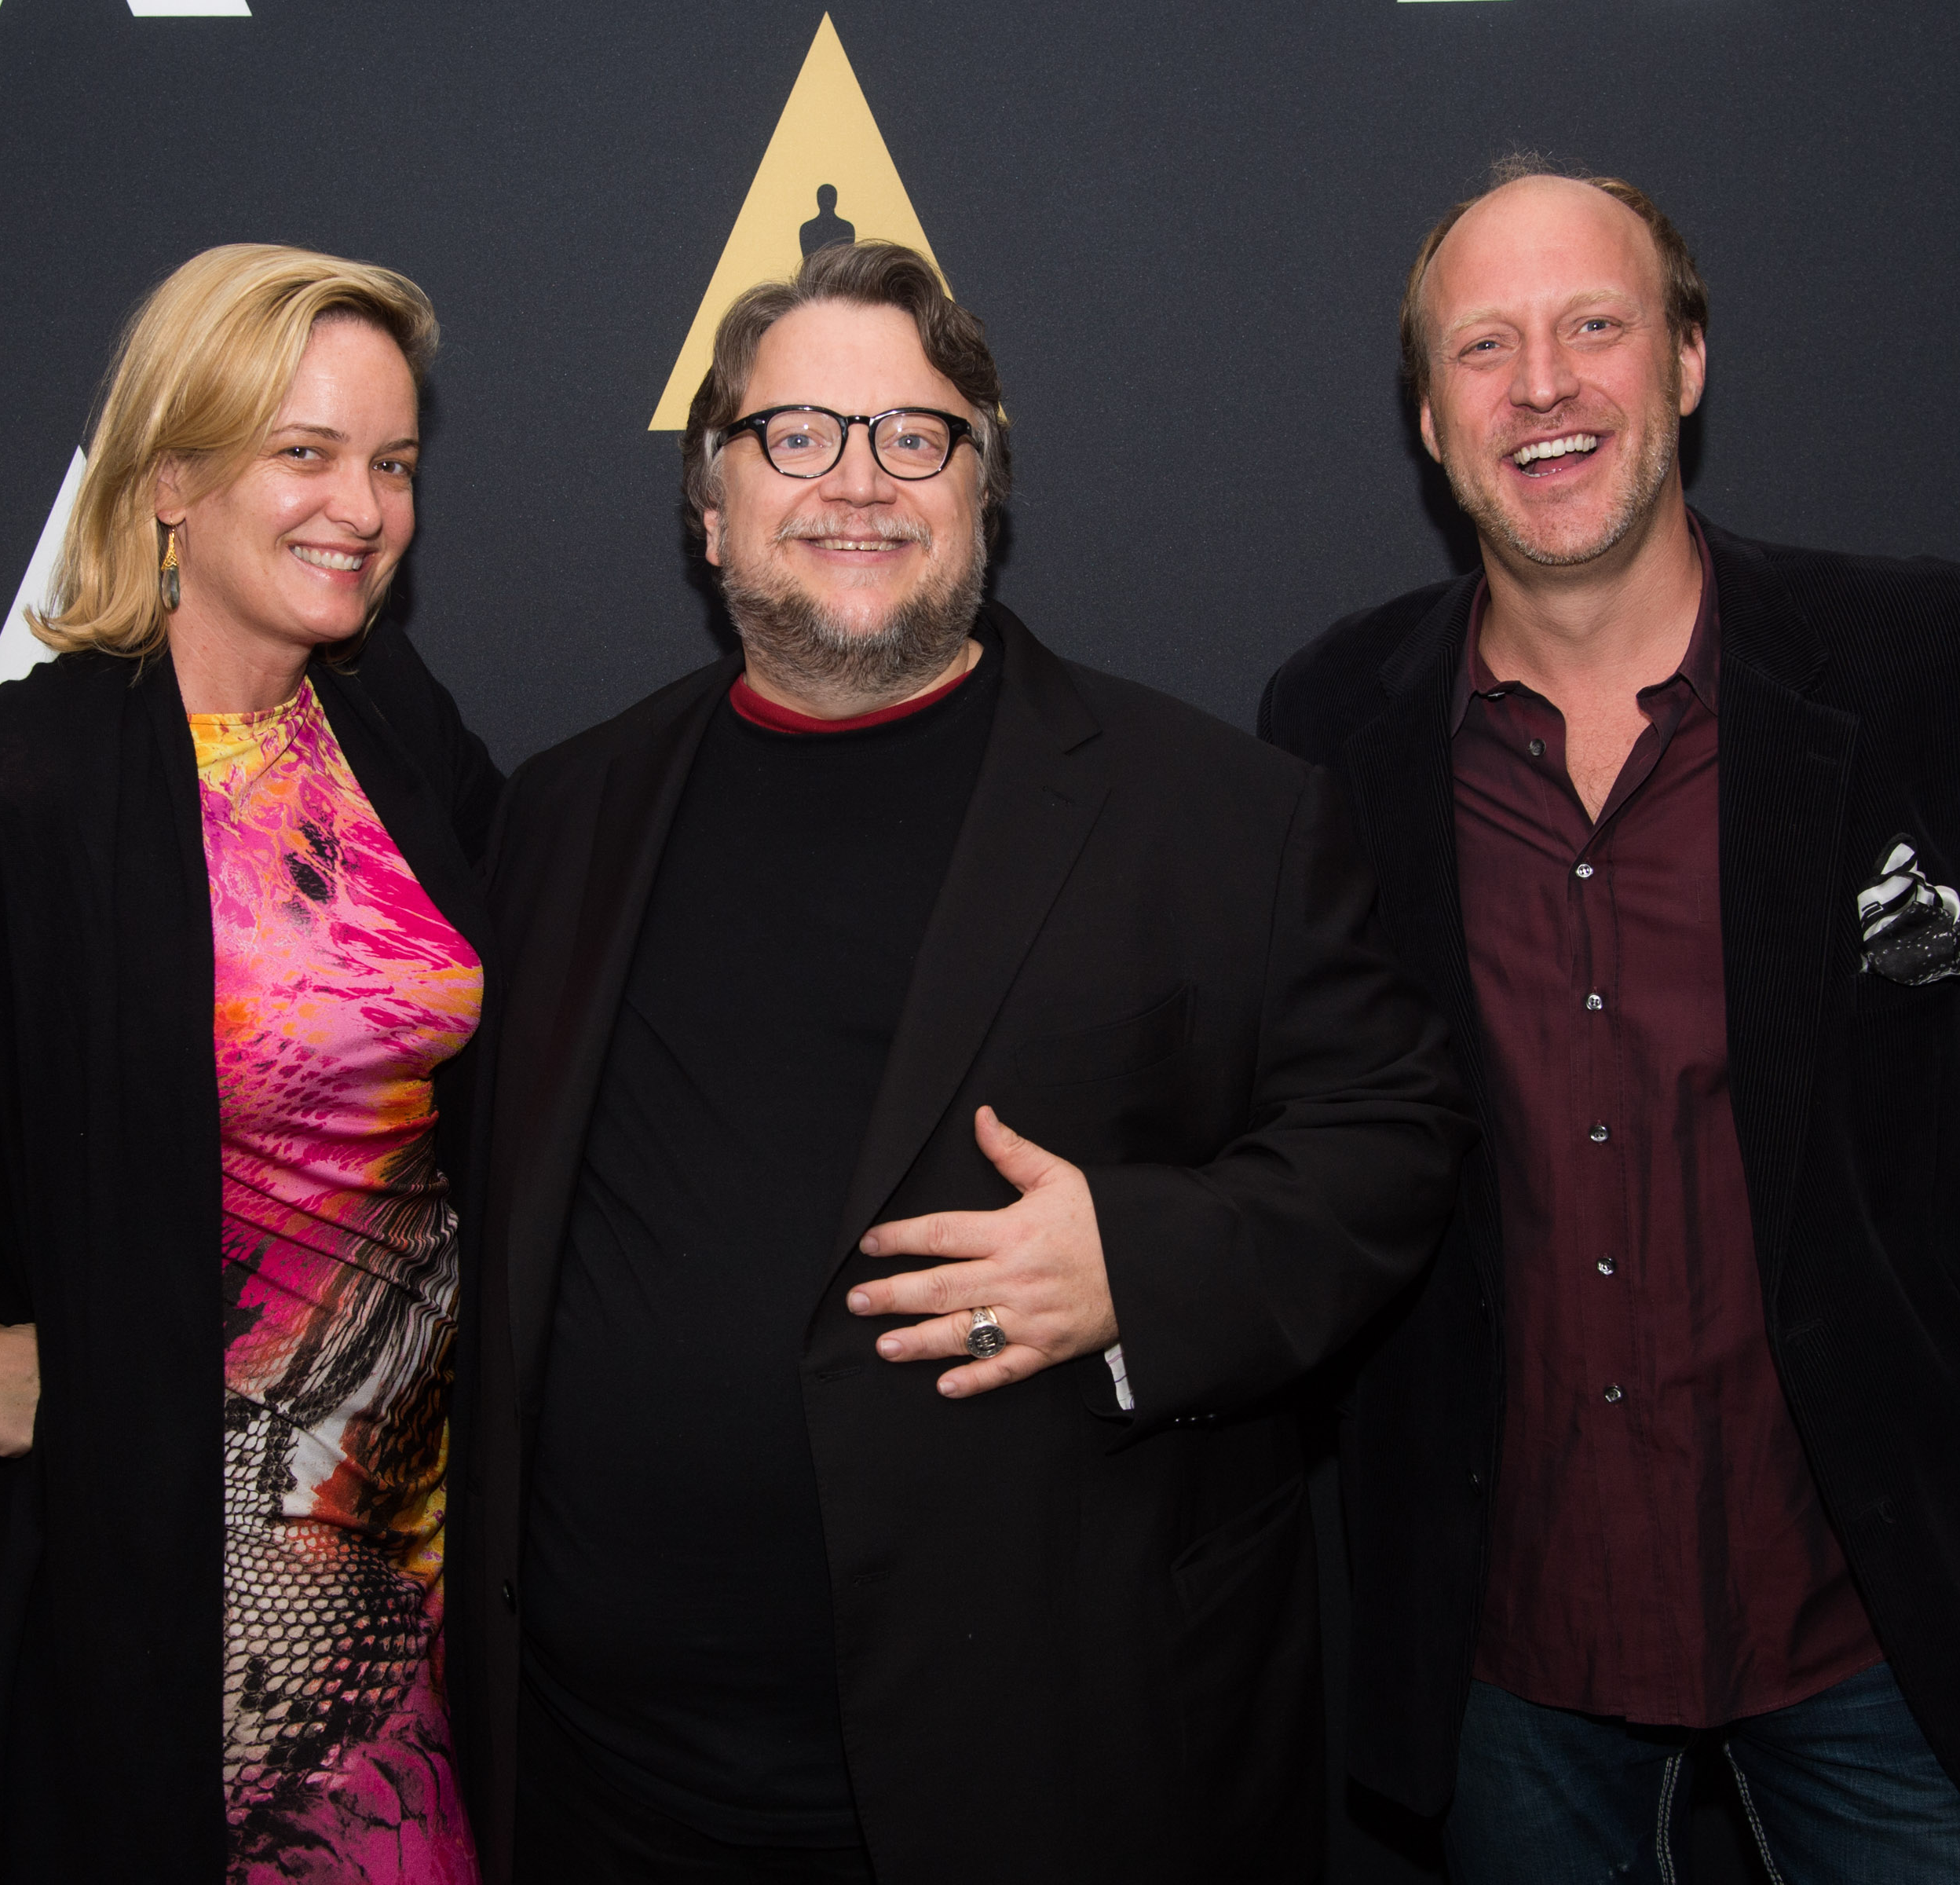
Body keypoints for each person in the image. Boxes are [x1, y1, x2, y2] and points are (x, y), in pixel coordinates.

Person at [447, 240, 1474, 1883]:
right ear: (707, 508)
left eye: (914, 437)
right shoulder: (570, 810)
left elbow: (1397, 1131)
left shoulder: (1216, 813)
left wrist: (1139, 1264)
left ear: (983, 494)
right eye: (795, 435)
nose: (857, 479)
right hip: (601, 1779)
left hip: (1033, 1779)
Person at [1262, 161, 1960, 1882]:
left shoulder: (1955, 673)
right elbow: (1313, 1129)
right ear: (1429, 418)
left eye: (1594, 327)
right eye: (1484, 348)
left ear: (1689, 363)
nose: (1544, 384)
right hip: (1514, 1650)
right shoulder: (1331, 728)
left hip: (1878, 1629)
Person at [0, 244, 503, 1881]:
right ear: (172, 477)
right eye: (303, 453)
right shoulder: (1, 790)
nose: (361, 509)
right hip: (185, 1618)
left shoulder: (390, 725)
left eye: (393, 464)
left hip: (438, 1563)